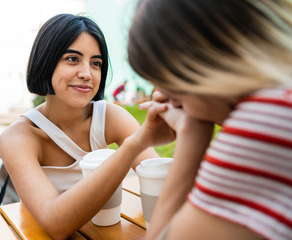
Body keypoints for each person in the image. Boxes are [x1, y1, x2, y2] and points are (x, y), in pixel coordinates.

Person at [124, 0, 292, 239]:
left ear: (196, 70)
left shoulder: (265, 119)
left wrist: (191, 132)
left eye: (173, 93)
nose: (174, 104)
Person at [0, 14, 158, 239]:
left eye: (96, 63)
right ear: (46, 61)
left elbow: (161, 179)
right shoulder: (18, 138)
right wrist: (133, 146)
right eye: (73, 59)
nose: (86, 74)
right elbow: (57, 226)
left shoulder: (110, 117)